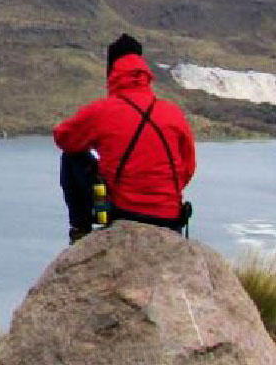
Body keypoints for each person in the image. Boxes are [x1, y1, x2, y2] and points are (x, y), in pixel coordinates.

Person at [54, 34, 197, 243]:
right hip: (170, 218)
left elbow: (63, 138)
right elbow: (188, 167)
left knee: (71, 157)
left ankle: (80, 231)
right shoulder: (173, 113)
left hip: (121, 212)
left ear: (111, 72)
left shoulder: (102, 111)